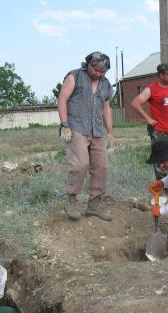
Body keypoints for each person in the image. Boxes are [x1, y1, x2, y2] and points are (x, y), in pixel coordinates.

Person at [58, 51, 114, 222]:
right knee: (80, 164)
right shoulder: (74, 76)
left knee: (101, 167)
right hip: (76, 128)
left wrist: (110, 132)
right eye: (96, 70)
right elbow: (62, 100)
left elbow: (106, 108)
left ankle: (94, 206)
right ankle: (71, 200)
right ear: (88, 65)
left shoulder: (106, 84)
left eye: (103, 72)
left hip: (97, 130)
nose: (99, 74)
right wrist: (65, 125)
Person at [131, 62, 168, 180]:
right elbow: (135, 103)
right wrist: (148, 119)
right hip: (159, 131)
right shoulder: (151, 89)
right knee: (161, 159)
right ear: (160, 75)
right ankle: (163, 188)